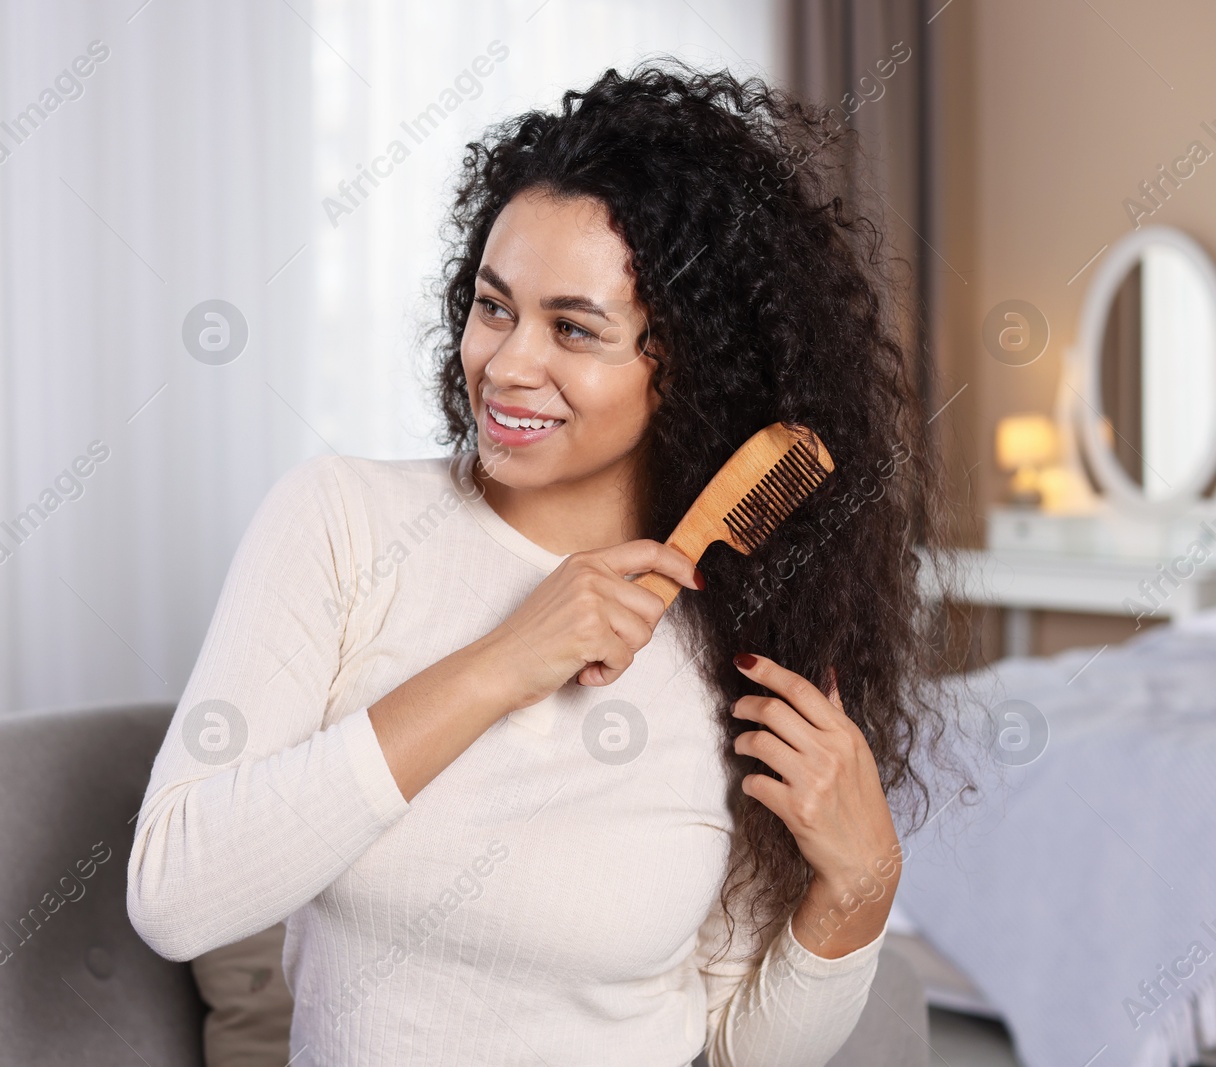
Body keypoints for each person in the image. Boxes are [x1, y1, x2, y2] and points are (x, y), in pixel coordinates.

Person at [128, 58, 962, 1066]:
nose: (508, 362)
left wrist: (861, 886)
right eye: (493, 306)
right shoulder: (340, 521)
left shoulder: (742, 633)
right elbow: (176, 895)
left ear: (689, 361)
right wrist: (498, 663)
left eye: (573, 327)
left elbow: (745, 1048)